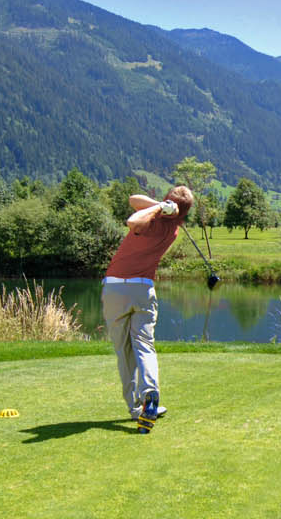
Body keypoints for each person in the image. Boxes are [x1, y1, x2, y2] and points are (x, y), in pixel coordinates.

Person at [103, 185, 194, 434]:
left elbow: (132, 220)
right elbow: (133, 198)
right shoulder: (173, 229)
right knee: (144, 345)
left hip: (115, 289)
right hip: (144, 290)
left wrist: (158, 207)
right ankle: (150, 393)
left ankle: (136, 408)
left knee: (124, 351)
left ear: (168, 202)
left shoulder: (152, 222)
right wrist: (163, 206)